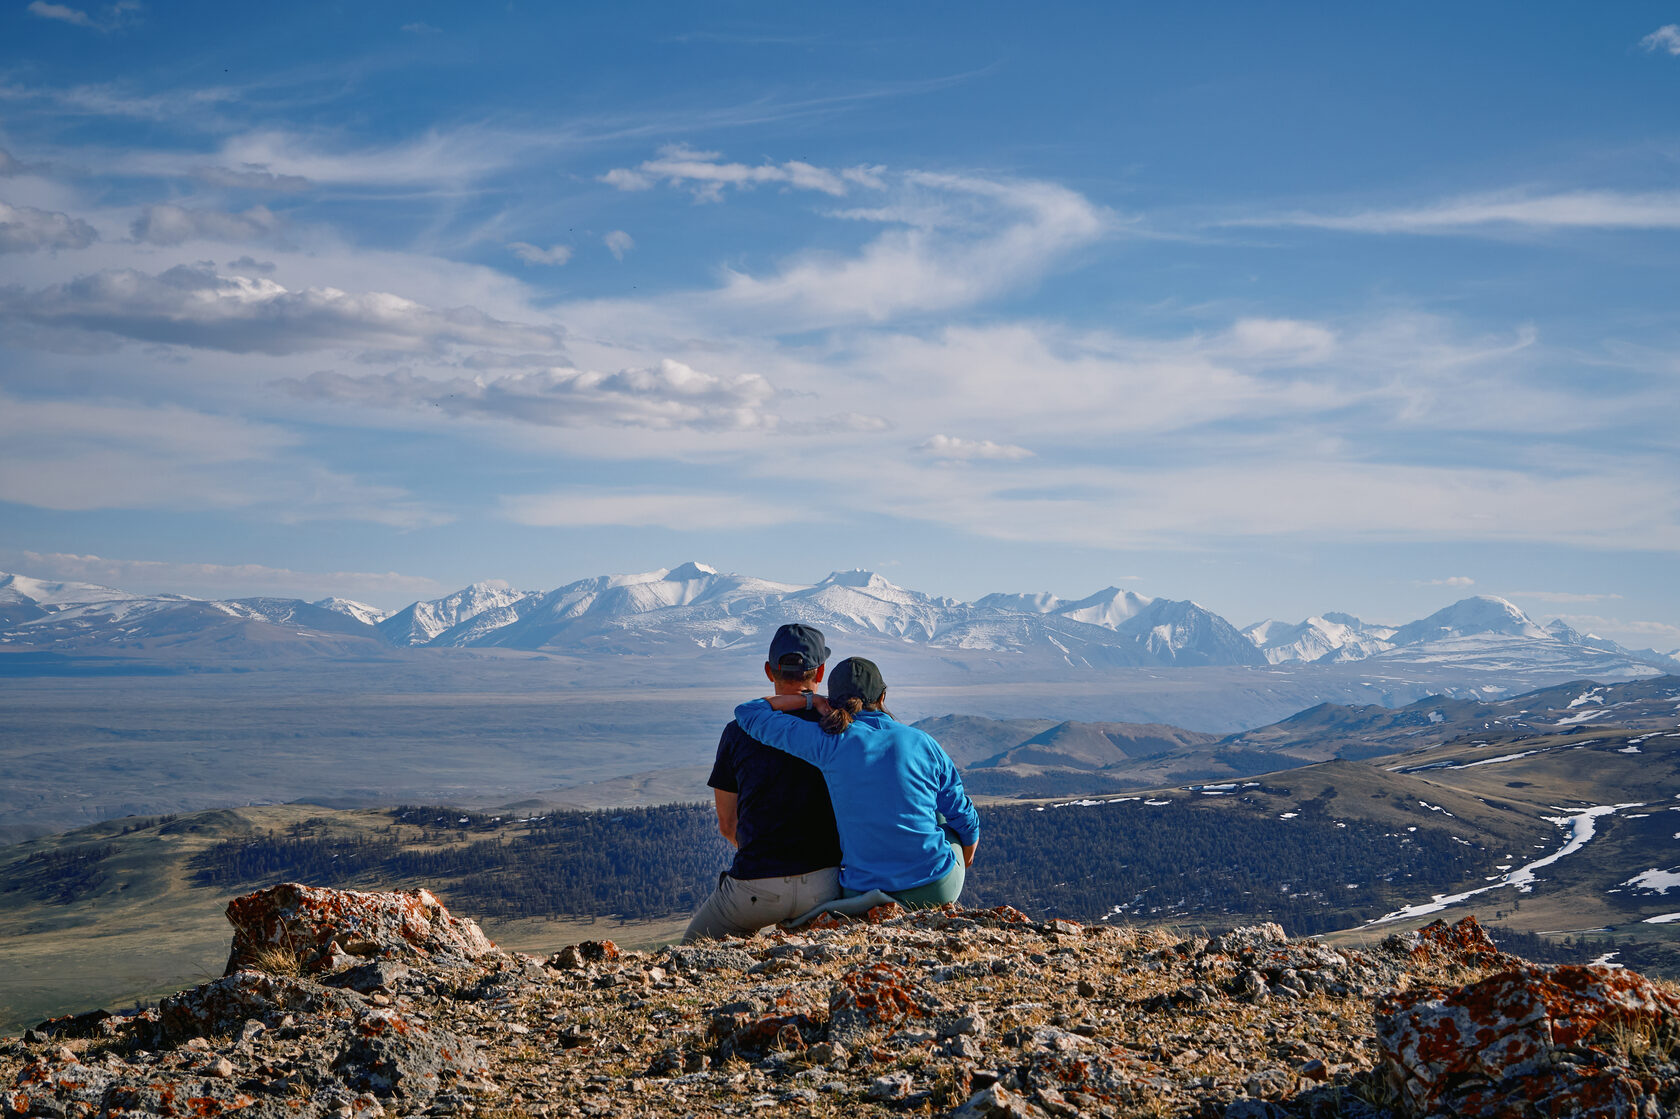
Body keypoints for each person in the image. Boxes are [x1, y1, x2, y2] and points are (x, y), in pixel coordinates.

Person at [733, 657, 979, 907]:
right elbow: (962, 814)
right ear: (882, 697)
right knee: (940, 815)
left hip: (862, 894)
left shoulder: (828, 742)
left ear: (832, 702)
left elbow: (748, 712)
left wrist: (811, 700)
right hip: (934, 889)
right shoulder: (922, 742)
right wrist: (967, 852)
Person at [681, 623, 843, 942]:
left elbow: (728, 825)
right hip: (826, 885)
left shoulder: (738, 731)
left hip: (754, 886)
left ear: (769, 671)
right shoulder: (839, 727)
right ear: (821, 671)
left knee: (688, 954)